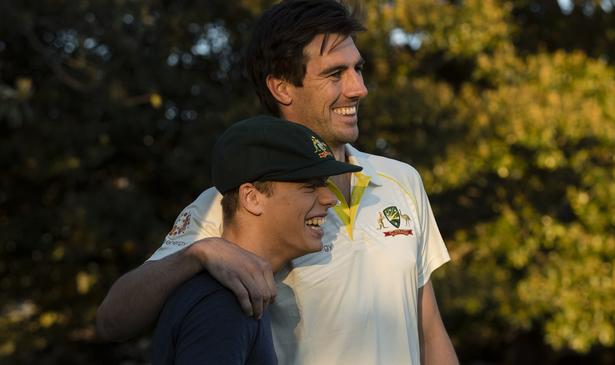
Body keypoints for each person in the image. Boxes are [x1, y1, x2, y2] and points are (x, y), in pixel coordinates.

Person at [97, 1, 459, 364]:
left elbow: (429, 331)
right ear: (282, 88)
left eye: (358, 69)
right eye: (335, 74)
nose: (358, 88)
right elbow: (113, 320)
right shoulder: (236, 198)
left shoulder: (402, 179)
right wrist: (199, 253)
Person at [151, 116, 360, 364]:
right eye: (310, 186)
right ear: (252, 198)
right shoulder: (222, 304)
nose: (330, 199)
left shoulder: (237, 295)